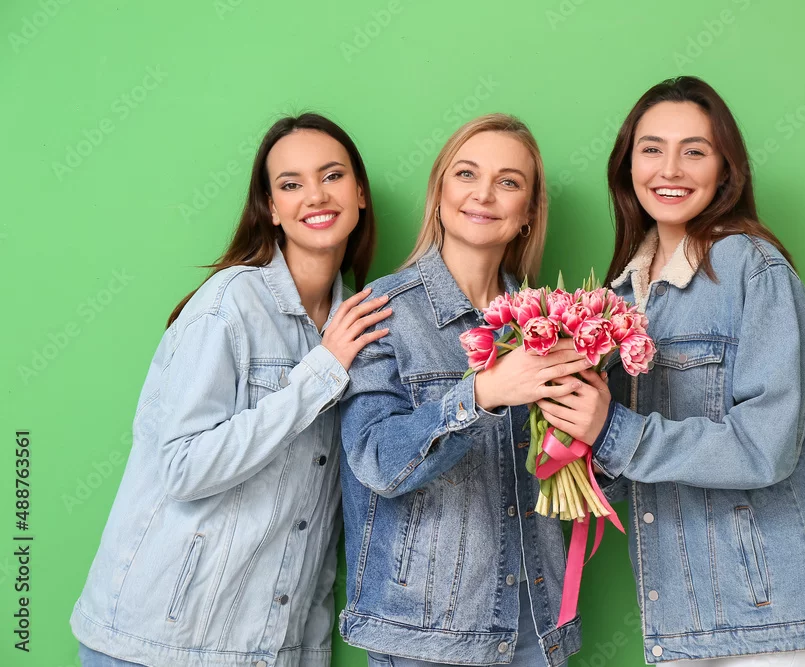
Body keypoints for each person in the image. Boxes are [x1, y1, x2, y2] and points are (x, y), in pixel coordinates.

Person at [537, 77, 805, 665]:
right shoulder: (619, 297)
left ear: (725, 169)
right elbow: (627, 466)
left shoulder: (753, 268)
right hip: (679, 616)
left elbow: (766, 447)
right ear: (628, 165)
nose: (670, 169)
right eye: (652, 149)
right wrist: (571, 430)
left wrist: (612, 431)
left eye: (695, 151)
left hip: (772, 613)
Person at [70, 113, 390, 667]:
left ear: (359, 192)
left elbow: (316, 520)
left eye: (332, 175)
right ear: (272, 208)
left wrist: (308, 652)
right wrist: (320, 372)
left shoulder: (355, 326)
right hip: (157, 645)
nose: (315, 195)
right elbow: (183, 468)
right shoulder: (230, 305)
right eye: (290, 184)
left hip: (265, 651)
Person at [338, 114, 598, 667]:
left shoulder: (553, 323)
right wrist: (480, 393)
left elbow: (595, 489)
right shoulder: (381, 313)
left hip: (537, 627)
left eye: (509, 182)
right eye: (466, 174)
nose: (484, 194)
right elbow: (375, 461)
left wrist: (595, 423)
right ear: (439, 193)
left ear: (528, 214)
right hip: (426, 636)